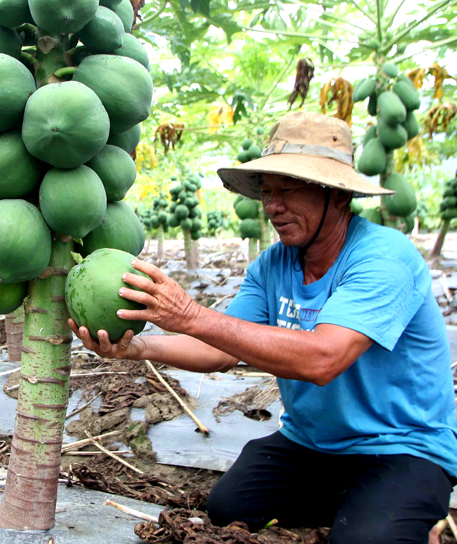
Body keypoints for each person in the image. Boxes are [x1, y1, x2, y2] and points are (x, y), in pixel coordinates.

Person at [70, 112, 457, 544]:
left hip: (400, 448)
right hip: (313, 445)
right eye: (268, 192)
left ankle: (395, 510)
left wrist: (190, 314)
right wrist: (138, 350)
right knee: (229, 508)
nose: (273, 206)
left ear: (338, 196)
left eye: (289, 190)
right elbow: (220, 351)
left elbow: (323, 358)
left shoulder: (384, 258)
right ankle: (364, 504)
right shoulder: (273, 265)